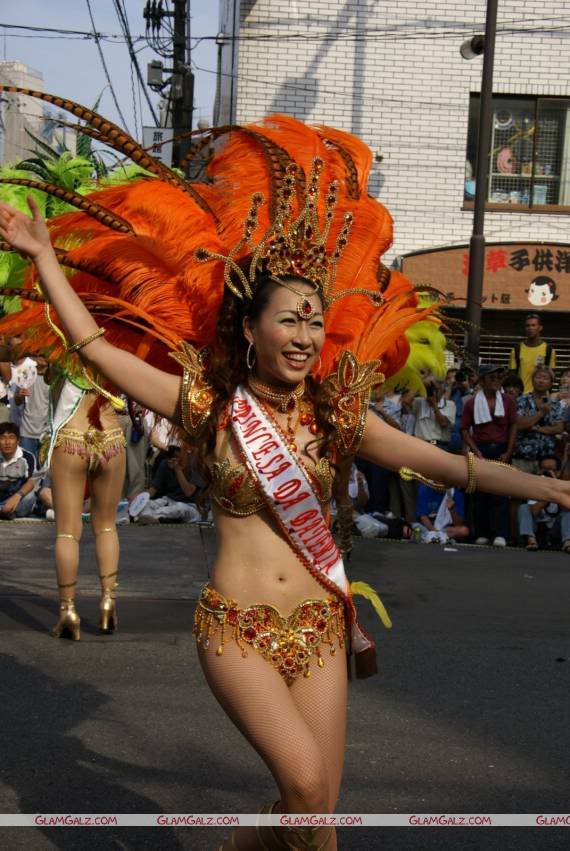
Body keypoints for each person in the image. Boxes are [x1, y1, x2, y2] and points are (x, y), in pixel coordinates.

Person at [2, 108, 570, 849]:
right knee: (304, 785)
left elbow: (443, 463)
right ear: (250, 329)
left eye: (313, 321)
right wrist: (45, 258)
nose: (303, 336)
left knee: (315, 816)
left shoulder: (337, 413)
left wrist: (552, 490)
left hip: (320, 631)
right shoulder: (208, 405)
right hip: (236, 628)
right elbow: (99, 352)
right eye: (287, 321)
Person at [41, 371, 126, 641]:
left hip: (71, 437)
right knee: (106, 527)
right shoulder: (116, 340)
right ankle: (107, 601)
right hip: (110, 433)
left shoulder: (55, 335)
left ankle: (68, 611)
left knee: (67, 532)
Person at [461, 364, 518, 547]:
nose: (495, 380)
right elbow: (464, 429)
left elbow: (513, 427)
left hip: (501, 449)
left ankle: (500, 533)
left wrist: (508, 451)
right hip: (481, 450)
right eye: (491, 377)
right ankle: (483, 532)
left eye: (497, 378)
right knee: (481, 493)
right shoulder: (471, 402)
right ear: (482, 380)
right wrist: (475, 451)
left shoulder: (508, 401)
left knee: (500, 493)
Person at [130, 443, 203, 524]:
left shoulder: (195, 463)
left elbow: (189, 492)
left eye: (178, 450)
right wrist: (138, 499)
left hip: (191, 506)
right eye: (173, 450)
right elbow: (152, 490)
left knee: (179, 508)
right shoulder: (166, 463)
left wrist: (177, 470)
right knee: (147, 504)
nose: (175, 454)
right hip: (169, 501)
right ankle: (152, 518)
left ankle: (151, 517)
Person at [513, 366, 564, 475]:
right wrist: (541, 413)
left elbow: (559, 428)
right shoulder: (521, 400)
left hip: (546, 460)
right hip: (523, 457)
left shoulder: (555, 404)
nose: (541, 381)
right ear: (532, 380)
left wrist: (536, 428)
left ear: (551, 383)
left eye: (545, 378)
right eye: (538, 377)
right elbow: (518, 425)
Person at [518, 457, 570, 552]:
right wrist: (548, 494)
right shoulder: (534, 488)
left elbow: (566, 508)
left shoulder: (563, 487)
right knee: (524, 507)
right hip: (538, 529)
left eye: (550, 469)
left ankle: (568, 542)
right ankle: (531, 540)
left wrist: (555, 484)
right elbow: (534, 511)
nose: (546, 472)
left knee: (568, 512)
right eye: (544, 469)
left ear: (558, 472)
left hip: (556, 529)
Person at [12, 355, 50, 464]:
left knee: (45, 472)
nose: (42, 358)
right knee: (27, 469)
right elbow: (17, 401)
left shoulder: (54, 377)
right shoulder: (26, 373)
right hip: (27, 431)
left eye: (44, 355)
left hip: (47, 432)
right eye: (39, 355)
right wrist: (20, 395)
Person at [509, 313, 556, 393]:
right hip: (522, 397)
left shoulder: (548, 350)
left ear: (540, 327)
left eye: (533, 325)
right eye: (527, 326)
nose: (530, 328)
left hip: (541, 396)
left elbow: (551, 376)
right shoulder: (517, 349)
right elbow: (512, 377)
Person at [0, 421, 37, 518]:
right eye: (3, 438)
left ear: (18, 441)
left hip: (16, 499)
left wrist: (17, 496)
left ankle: (8, 512)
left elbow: (31, 482)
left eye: (11, 437)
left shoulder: (27, 457)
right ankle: (6, 513)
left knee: (30, 497)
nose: (7, 442)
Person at [412, 377, 455, 449]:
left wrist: (434, 404)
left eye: (436, 389)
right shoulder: (419, 402)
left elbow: (443, 423)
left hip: (439, 445)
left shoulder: (449, 404)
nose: (433, 392)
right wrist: (420, 385)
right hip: (420, 444)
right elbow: (405, 401)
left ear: (443, 389)